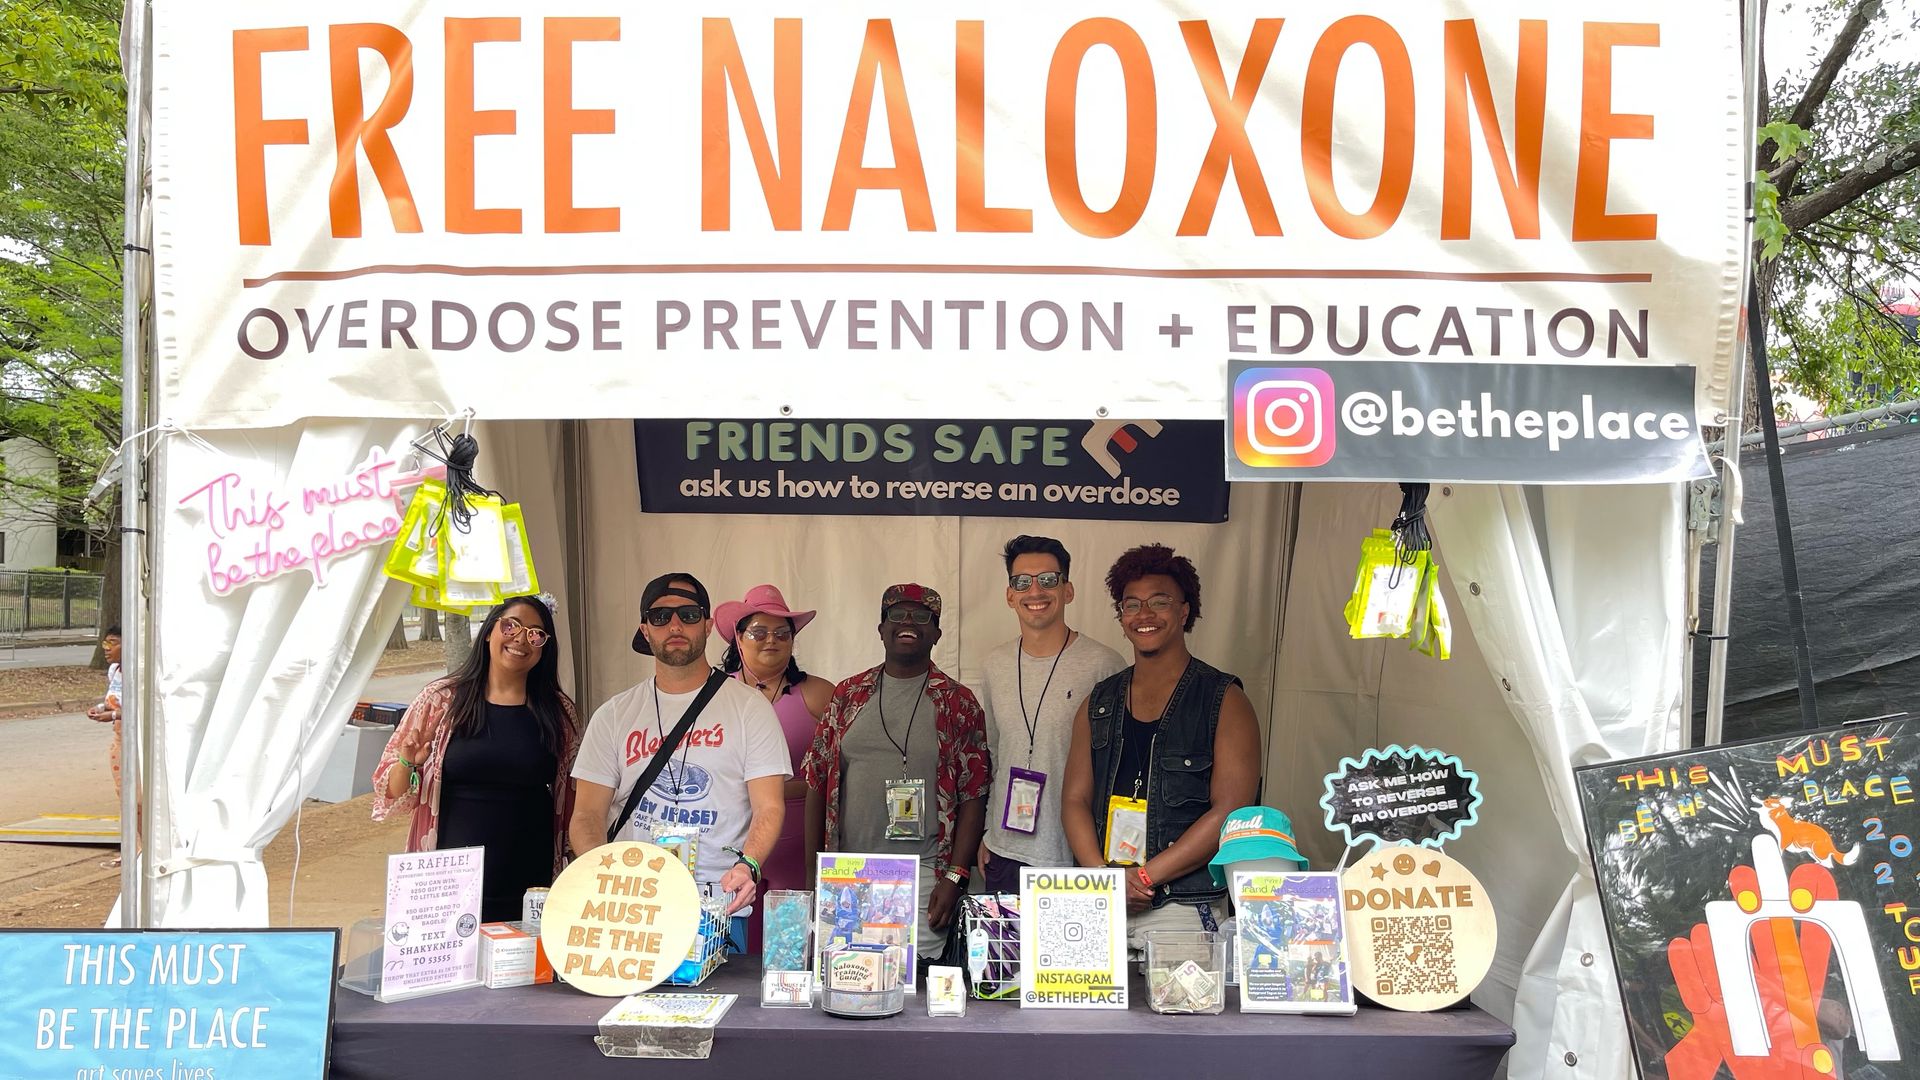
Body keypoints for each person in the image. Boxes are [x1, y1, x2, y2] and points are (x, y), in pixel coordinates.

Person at [569, 573, 790, 948]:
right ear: (645, 629)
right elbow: (586, 814)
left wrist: (747, 864)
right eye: (660, 617)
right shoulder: (614, 715)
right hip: (633, 905)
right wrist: (603, 876)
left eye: (688, 615)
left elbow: (769, 806)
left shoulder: (750, 709)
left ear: (706, 626)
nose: (674, 625)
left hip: (717, 905)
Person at [1061, 544, 1262, 951]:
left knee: (1179, 1014)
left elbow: (1231, 812)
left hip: (1183, 908)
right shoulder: (1099, 700)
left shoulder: (1224, 699)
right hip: (1103, 904)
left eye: (1160, 602)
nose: (1144, 614)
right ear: (1121, 617)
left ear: (1185, 612)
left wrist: (1146, 877)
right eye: (1131, 604)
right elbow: (1074, 799)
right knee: (1086, 1019)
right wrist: (1103, 879)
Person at [804, 584, 987, 960]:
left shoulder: (957, 703)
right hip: (846, 873)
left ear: (936, 633)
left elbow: (974, 795)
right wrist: (814, 877)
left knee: (913, 990)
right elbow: (816, 782)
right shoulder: (848, 695)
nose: (909, 623)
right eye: (897, 615)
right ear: (881, 628)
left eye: (922, 617)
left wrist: (956, 877)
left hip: (922, 875)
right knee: (848, 981)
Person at [372, 595, 581, 923]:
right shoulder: (441, 701)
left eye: (535, 634)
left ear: (544, 648)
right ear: (489, 631)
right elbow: (391, 791)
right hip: (447, 884)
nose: (520, 639)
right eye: (511, 626)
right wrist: (408, 762)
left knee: (529, 972)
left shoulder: (559, 712)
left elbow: (572, 799)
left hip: (531, 884)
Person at [978, 536, 1124, 894]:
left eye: (1048, 579)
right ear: (1009, 595)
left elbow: (1116, 767)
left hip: (1075, 855)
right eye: (1022, 582)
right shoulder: (994, 664)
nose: (1035, 591)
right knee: (1007, 951)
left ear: (1068, 590)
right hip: (1004, 850)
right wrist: (987, 832)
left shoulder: (1105, 665)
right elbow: (995, 754)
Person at [715, 584, 834, 942]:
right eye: (759, 632)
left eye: (783, 633)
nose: (772, 640)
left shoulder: (818, 693)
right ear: (738, 637)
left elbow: (841, 770)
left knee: (789, 949)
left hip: (797, 841)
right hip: (732, 841)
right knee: (732, 946)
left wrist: (789, 786)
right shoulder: (716, 694)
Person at [87, 625, 125, 797]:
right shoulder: (114, 671)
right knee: (122, 788)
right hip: (120, 737)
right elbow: (113, 700)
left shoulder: (139, 674)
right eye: (106, 643)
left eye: (113, 642)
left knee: (138, 793)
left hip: (137, 740)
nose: (107, 648)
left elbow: (142, 708)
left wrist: (114, 715)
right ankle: (130, 823)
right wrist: (100, 708)